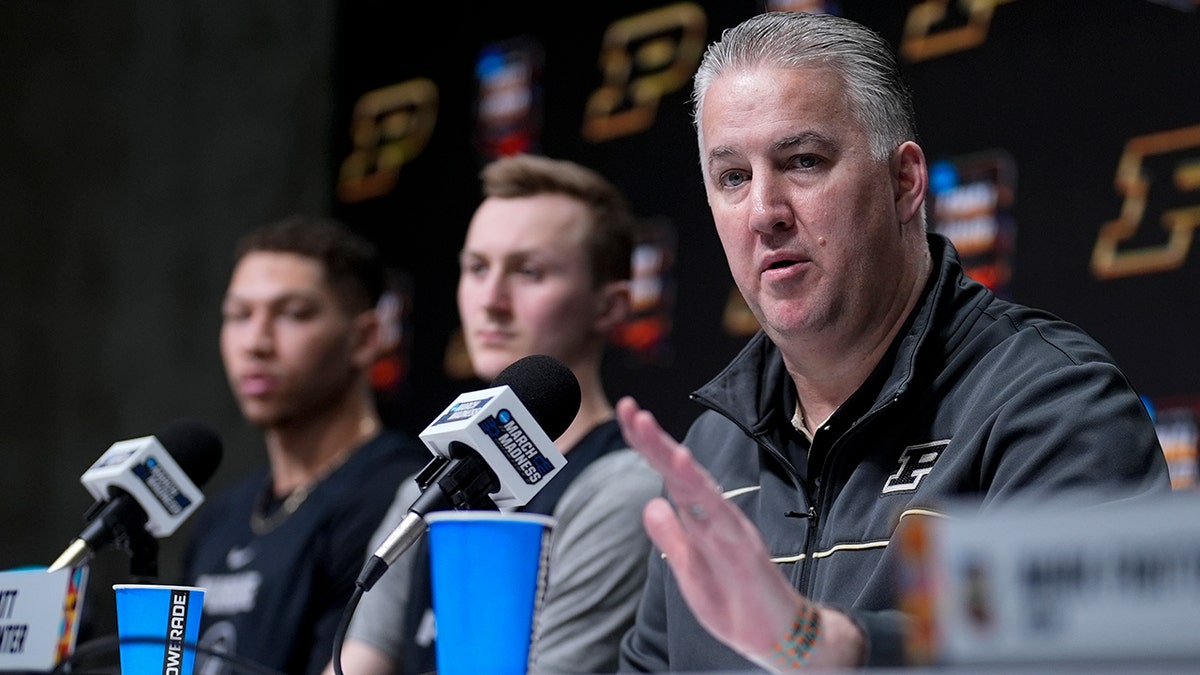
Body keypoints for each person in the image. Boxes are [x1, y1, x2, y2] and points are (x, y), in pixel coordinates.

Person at [612, 10, 1172, 672]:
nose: (764, 211)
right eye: (733, 176)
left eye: (803, 161)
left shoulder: (1045, 401)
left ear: (904, 182)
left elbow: (1095, 656)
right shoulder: (712, 452)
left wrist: (834, 647)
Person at [327, 154, 663, 675]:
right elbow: (357, 661)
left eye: (529, 272)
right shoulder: (427, 487)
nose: (491, 300)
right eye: (477, 268)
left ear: (612, 305)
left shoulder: (625, 488)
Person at [182, 215, 429, 675]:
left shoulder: (396, 495)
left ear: (366, 338)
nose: (255, 342)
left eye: (293, 314)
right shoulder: (224, 516)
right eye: (238, 315)